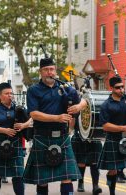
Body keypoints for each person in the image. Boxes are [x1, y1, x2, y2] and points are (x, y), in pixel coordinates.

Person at [23, 56, 83, 194]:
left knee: (67, 177)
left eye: (51, 69)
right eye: (46, 70)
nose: (49, 72)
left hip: (62, 136)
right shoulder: (34, 90)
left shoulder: (65, 88)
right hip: (42, 137)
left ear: (55, 71)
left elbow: (83, 100)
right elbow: (34, 114)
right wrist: (57, 118)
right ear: (40, 72)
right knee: (43, 180)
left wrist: (78, 106)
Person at [70, 100, 103, 194]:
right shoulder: (76, 109)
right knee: (81, 163)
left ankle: (95, 186)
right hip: (79, 137)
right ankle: (81, 183)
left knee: (95, 163)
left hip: (93, 137)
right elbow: (71, 127)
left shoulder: (94, 108)